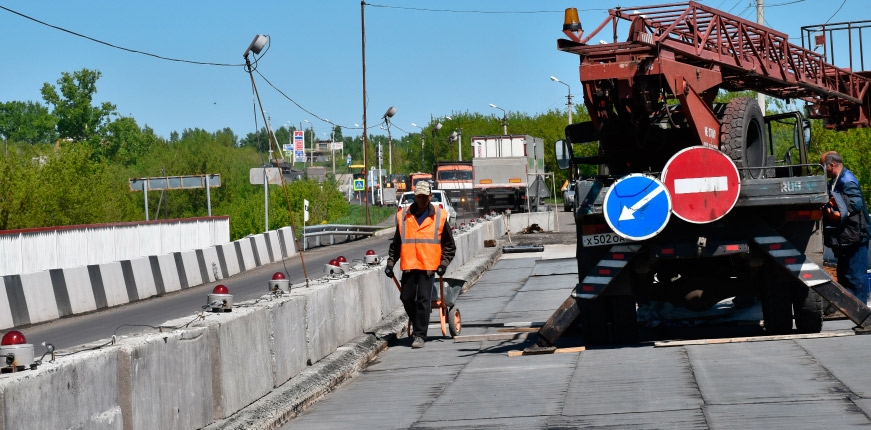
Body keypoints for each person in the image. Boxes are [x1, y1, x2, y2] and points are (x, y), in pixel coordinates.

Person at [384, 181, 456, 348]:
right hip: (409, 265)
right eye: (419, 196)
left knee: (423, 299)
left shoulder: (439, 216)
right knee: (406, 297)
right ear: (414, 196)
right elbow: (396, 244)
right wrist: (390, 264)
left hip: (428, 266)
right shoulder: (403, 216)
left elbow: (449, 245)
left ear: (430, 196)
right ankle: (418, 326)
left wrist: (443, 263)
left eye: (425, 196)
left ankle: (420, 336)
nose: (422, 199)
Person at [821, 151, 871, 305]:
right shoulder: (837, 180)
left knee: (855, 276)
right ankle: (848, 309)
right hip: (846, 238)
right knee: (844, 275)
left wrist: (833, 209)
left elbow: (854, 204)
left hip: (856, 237)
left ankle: (862, 313)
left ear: (832, 165)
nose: (823, 171)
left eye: (824, 167)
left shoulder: (848, 180)